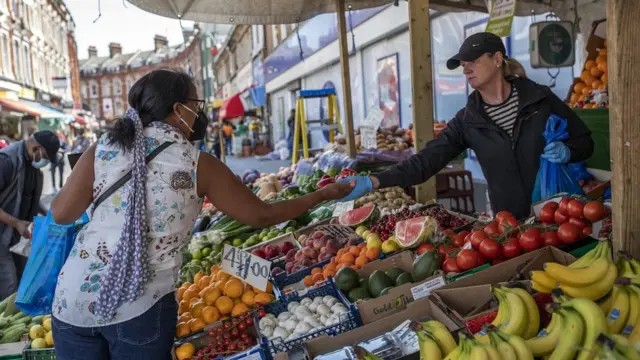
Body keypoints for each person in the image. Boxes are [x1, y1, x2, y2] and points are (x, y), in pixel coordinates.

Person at [48, 69, 353, 360]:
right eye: (196, 105)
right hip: (139, 308)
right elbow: (261, 217)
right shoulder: (197, 163)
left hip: (72, 303)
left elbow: (61, 213)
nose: (199, 113)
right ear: (179, 109)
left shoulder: (102, 148)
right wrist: (322, 194)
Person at [339, 32, 594, 220]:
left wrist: (568, 151)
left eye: (472, 60)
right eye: (462, 64)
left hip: (560, 214)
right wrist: (374, 180)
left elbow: (585, 142)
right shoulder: (467, 120)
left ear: (497, 59)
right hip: (511, 226)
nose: (465, 69)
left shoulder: (539, 99)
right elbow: (425, 162)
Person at [0, 131, 59, 300]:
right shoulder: (6, 161)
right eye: (46, 156)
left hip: (18, 238)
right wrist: (16, 222)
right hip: (3, 234)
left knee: (23, 279)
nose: (46, 161)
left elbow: (31, 198)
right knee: (8, 283)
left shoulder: (32, 165)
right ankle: (6, 324)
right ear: (36, 148)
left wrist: (50, 215)